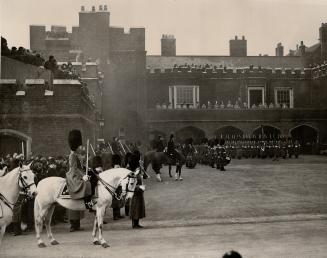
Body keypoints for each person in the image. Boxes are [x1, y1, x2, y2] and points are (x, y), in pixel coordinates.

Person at [128, 152, 146, 229]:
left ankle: (137, 223)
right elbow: (131, 184)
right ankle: (134, 224)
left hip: (139, 190)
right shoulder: (132, 172)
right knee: (135, 207)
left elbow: (142, 176)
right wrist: (139, 187)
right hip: (135, 190)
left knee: (138, 207)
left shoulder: (137, 169)